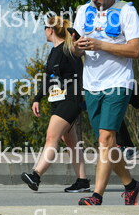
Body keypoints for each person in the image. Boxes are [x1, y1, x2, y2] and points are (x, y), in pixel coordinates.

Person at [73, 0, 139, 206]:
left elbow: (135, 50)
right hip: (91, 84)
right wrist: (77, 47)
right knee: (108, 144)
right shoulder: (83, 11)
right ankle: (131, 186)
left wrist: (101, 45)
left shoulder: (127, 11)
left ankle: (97, 196)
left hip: (118, 83)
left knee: (105, 140)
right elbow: (74, 49)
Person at [21, 16, 90, 193]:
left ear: (50, 29)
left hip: (71, 99)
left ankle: (36, 175)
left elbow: (79, 72)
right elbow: (49, 79)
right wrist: (37, 98)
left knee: (51, 137)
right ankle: (82, 181)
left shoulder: (68, 49)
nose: (44, 31)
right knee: (71, 142)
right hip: (58, 101)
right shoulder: (54, 52)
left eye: (45, 28)